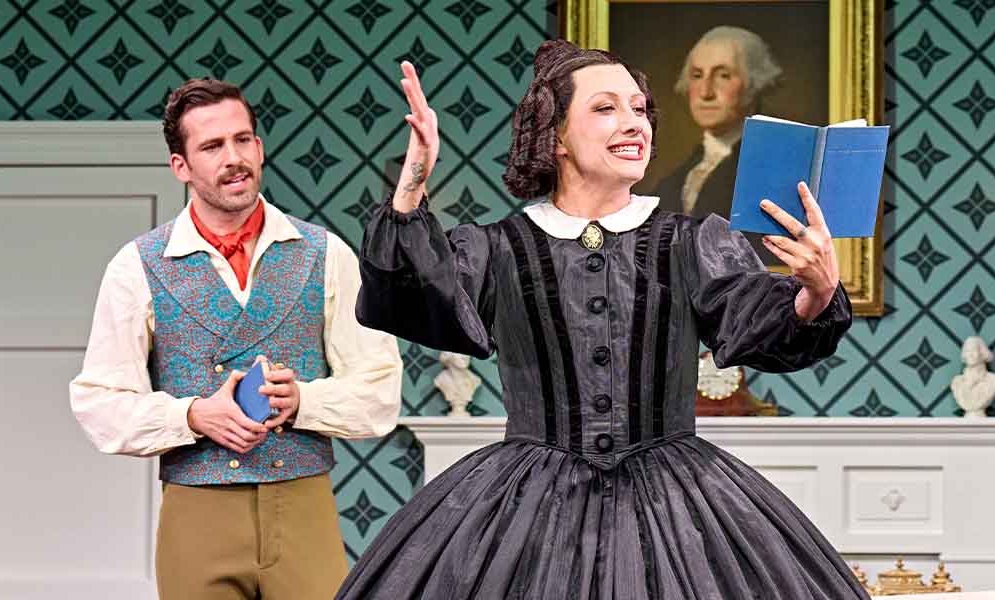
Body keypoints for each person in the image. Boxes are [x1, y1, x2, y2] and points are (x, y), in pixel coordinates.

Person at [337, 40, 867, 600]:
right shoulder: (495, 249)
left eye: (640, 109)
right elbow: (404, 296)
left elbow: (762, 325)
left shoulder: (690, 241)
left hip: (676, 504)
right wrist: (414, 177)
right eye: (606, 107)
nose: (634, 122)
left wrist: (817, 289)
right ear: (556, 136)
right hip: (526, 508)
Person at [69, 78, 403, 600]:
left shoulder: (324, 253)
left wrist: (302, 401)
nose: (234, 157)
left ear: (260, 147)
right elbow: (99, 402)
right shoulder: (137, 265)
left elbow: (381, 392)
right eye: (212, 146)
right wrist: (193, 416)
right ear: (181, 166)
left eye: (243, 139)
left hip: (303, 506)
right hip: (196, 513)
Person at [654, 26, 783, 265]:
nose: (705, 92)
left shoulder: (775, 171)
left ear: (755, 83)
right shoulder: (672, 182)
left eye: (723, 75)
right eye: (697, 75)